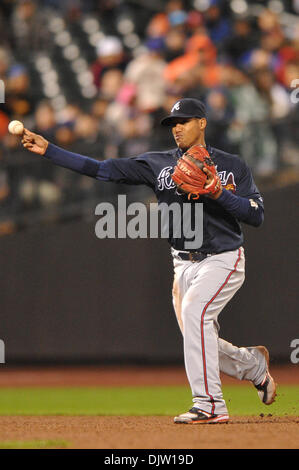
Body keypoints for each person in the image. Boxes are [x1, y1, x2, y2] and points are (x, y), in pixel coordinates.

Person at [20, 97, 276, 424]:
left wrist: (218, 193)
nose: (177, 128)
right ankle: (251, 365)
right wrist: (50, 150)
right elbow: (102, 169)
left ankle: (209, 404)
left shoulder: (231, 165)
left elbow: (256, 216)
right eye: (173, 123)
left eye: (184, 121)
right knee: (198, 334)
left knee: (195, 314)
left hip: (223, 257)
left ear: (202, 123)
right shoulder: (157, 163)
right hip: (182, 263)